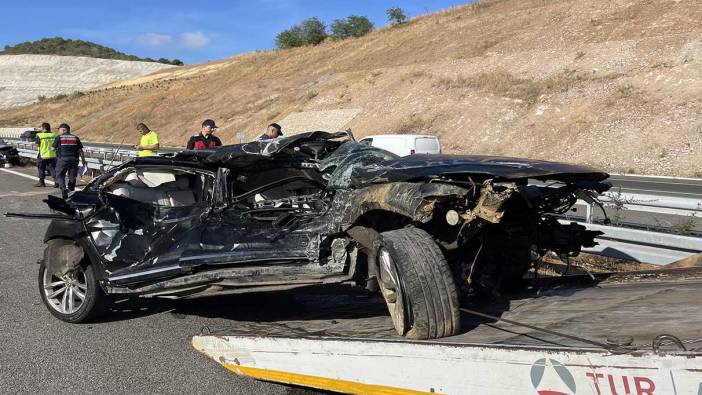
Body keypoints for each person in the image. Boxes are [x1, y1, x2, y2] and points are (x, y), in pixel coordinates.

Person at [53, 123, 87, 198]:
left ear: (63, 130)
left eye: (59, 129)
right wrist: (83, 160)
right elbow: (80, 150)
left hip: (63, 160)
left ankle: (63, 188)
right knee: (72, 176)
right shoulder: (75, 138)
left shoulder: (59, 137)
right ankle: (71, 191)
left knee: (60, 175)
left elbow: (53, 148)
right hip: (74, 160)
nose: (58, 131)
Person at [34, 122, 58, 188]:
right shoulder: (55, 135)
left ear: (43, 128)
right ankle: (56, 182)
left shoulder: (39, 135)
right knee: (53, 169)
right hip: (52, 155)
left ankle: (41, 182)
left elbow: (37, 145)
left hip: (42, 155)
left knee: (41, 168)